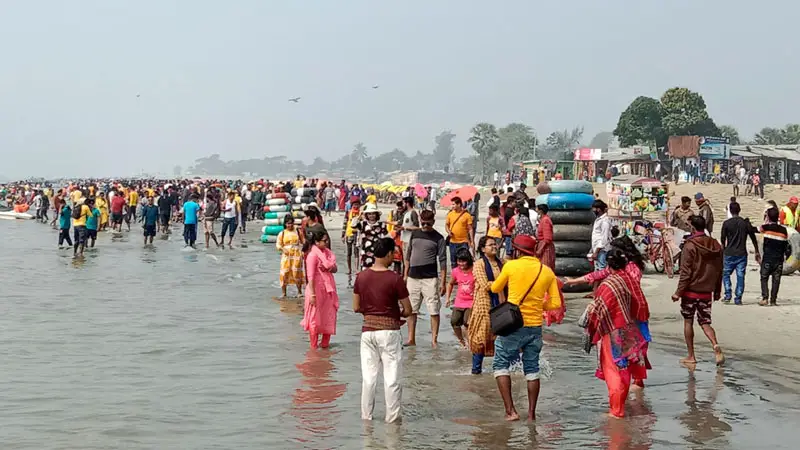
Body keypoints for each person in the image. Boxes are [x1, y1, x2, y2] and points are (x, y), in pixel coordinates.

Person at [490, 235, 562, 422]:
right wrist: (538, 307)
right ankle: (531, 414)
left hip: (513, 324)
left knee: (500, 364)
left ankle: (511, 411)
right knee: (532, 369)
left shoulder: (511, 266)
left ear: (517, 251)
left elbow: (496, 287)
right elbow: (554, 303)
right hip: (535, 326)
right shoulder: (546, 272)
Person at [579, 248, 650, 418]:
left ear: (609, 265)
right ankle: (620, 406)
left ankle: (616, 411)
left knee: (614, 372)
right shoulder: (628, 279)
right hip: (629, 329)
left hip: (613, 333)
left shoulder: (608, 284)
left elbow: (598, 311)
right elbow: (638, 304)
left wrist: (590, 332)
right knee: (624, 368)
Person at [353, 237, 412, 423]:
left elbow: (356, 307)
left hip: (367, 331)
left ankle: (366, 418)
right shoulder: (395, 279)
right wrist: (396, 312)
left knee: (368, 379)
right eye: (393, 253)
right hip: (389, 332)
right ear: (387, 254)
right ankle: (392, 421)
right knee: (392, 378)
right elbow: (408, 310)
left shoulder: (361, 277)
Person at [672, 215, 725, 367]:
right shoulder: (716, 245)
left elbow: (686, 272)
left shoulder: (690, 245)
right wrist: (717, 290)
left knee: (688, 322)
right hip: (707, 291)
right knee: (705, 322)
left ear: (693, 228)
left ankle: (691, 355)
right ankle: (715, 345)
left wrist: (678, 293)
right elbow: (719, 270)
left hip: (691, 291)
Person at [404, 209, 447, 348]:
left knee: (433, 309)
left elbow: (443, 261)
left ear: (433, 222)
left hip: (430, 278)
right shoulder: (415, 234)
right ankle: (411, 338)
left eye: (428, 223)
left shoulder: (439, 238)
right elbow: (408, 255)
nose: (425, 226)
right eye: (423, 223)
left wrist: (443, 282)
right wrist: (405, 274)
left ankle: (434, 340)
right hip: (413, 277)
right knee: (412, 309)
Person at [468, 236, 504, 374]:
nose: (494, 247)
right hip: (484, 305)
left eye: (495, 244)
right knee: (481, 338)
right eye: (490, 245)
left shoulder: (503, 263)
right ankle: (476, 371)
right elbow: (484, 284)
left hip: (501, 303)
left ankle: (506, 369)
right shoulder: (479, 264)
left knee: (504, 335)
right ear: (483, 249)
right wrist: (501, 283)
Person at [302, 229, 339, 349]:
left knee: (328, 316)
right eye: (324, 241)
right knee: (314, 319)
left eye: (327, 240)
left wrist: (329, 268)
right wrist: (312, 294)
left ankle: (325, 346)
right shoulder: (312, 255)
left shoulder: (328, 254)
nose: (326, 243)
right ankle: (313, 349)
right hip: (316, 290)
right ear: (316, 242)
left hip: (328, 289)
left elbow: (334, 269)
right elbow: (310, 276)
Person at [719, 202, 760, 305]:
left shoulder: (726, 223)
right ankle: (738, 297)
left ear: (730, 211)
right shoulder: (745, 223)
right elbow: (753, 237)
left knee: (726, 274)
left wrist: (722, 251)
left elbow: (723, 239)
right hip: (742, 253)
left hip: (729, 253)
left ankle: (728, 294)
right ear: (739, 210)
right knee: (740, 275)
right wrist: (756, 250)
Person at [759, 207, 789, 306]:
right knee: (776, 280)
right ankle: (773, 300)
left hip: (767, 258)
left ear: (768, 217)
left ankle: (765, 298)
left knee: (764, 278)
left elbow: (756, 229)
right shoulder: (784, 230)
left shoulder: (765, 228)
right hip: (778, 259)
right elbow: (786, 246)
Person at [446, 248, 475, 348]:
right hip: (459, 301)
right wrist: (447, 298)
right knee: (454, 322)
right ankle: (462, 341)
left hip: (472, 302)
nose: (461, 264)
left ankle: (470, 343)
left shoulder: (475, 270)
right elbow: (450, 284)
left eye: (463, 261)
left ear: (468, 260)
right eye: (459, 261)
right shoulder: (455, 271)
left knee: (467, 322)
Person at [352, 203, 389, 271]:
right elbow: (353, 225)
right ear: (366, 215)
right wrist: (360, 215)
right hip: (365, 252)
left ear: (376, 214)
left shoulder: (381, 225)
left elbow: (386, 238)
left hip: (378, 254)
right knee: (365, 273)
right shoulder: (363, 224)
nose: (371, 216)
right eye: (369, 214)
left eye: (373, 213)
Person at [276, 215, 305, 297]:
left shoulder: (298, 232)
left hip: (296, 255)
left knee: (297, 273)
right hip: (286, 256)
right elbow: (278, 244)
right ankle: (284, 293)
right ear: (285, 224)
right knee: (284, 273)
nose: (290, 225)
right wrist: (282, 249)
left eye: (291, 223)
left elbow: (303, 242)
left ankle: (299, 292)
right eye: (288, 223)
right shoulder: (282, 233)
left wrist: (303, 252)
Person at [445, 197, 474, 267]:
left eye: (453, 204)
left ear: (459, 204)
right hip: (453, 242)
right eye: (451, 204)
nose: (452, 206)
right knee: (453, 261)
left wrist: (472, 241)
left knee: (464, 261)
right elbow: (446, 225)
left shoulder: (466, 215)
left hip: (463, 242)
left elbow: (470, 229)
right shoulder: (450, 214)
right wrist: (448, 232)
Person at [342, 197, 362, 275]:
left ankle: (356, 269)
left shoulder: (361, 213)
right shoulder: (348, 212)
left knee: (356, 252)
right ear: (351, 205)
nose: (356, 206)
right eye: (354, 204)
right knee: (349, 253)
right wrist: (343, 235)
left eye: (357, 204)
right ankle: (349, 269)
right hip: (349, 234)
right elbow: (344, 223)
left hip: (357, 235)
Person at [591, 200, 612, 272]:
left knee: (601, 269)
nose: (593, 210)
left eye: (594, 208)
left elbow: (604, 238)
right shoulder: (598, 219)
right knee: (598, 268)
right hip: (597, 249)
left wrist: (596, 251)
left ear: (598, 209)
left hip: (602, 250)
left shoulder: (604, 221)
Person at [534, 204, 555, 269]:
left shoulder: (545, 220)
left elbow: (547, 238)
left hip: (545, 248)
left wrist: (540, 249)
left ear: (540, 211)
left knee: (545, 267)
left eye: (537, 209)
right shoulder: (543, 219)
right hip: (542, 245)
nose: (536, 210)